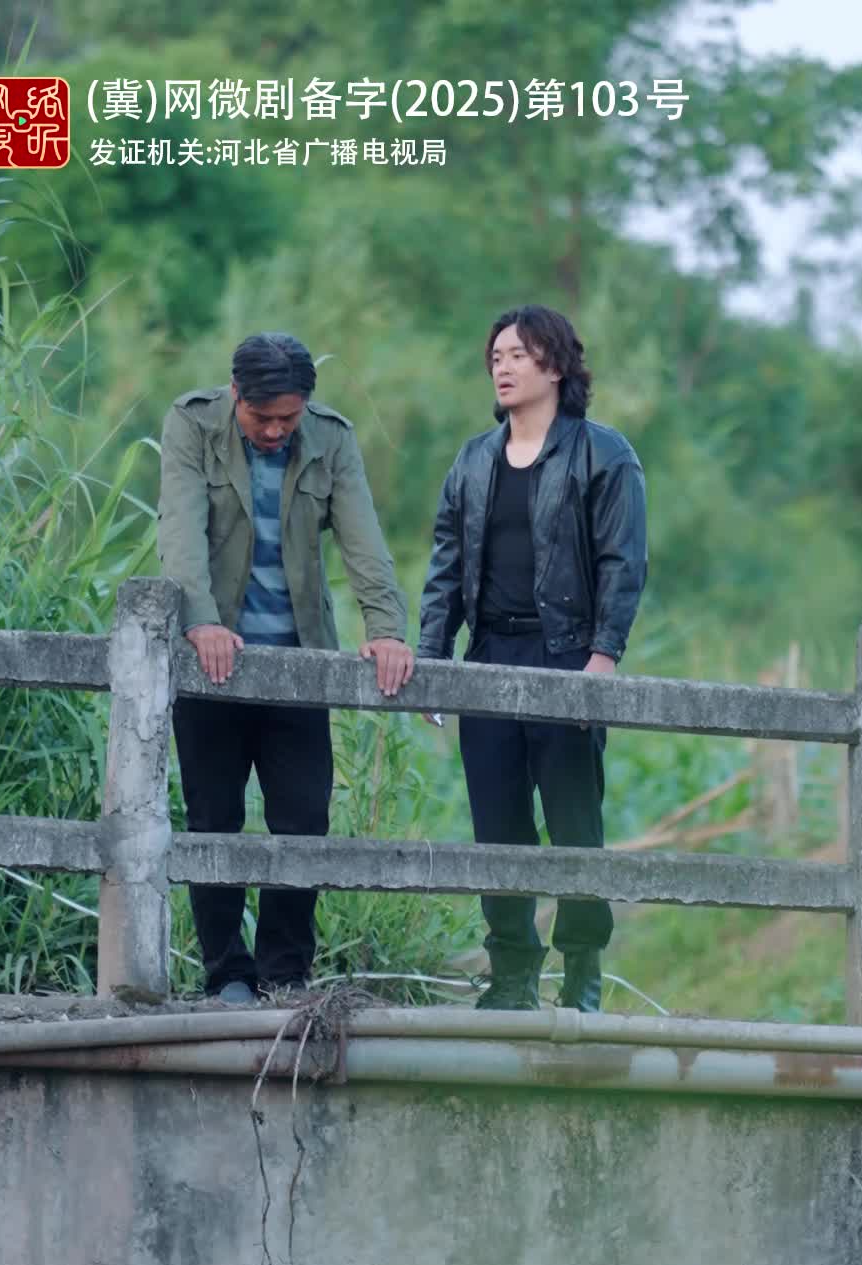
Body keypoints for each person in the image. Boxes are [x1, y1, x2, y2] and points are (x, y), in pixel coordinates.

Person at [158, 331, 413, 1005]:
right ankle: (226, 976)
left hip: (300, 664)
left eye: (288, 418)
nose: (275, 430)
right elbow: (179, 534)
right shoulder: (192, 425)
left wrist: (386, 631)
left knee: (303, 820)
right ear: (235, 394)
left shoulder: (331, 439)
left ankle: (285, 977)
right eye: (262, 417)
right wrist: (201, 622)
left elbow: (365, 542)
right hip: (212, 664)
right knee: (213, 817)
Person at [418, 304, 647, 1012]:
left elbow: (623, 560)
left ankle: (582, 974)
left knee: (576, 824)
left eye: (518, 354)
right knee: (498, 825)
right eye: (496, 357)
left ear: (555, 365)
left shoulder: (603, 453)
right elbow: (446, 563)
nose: (504, 366)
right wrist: (433, 655)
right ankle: (512, 976)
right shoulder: (473, 459)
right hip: (489, 654)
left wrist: (604, 655)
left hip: (566, 655)